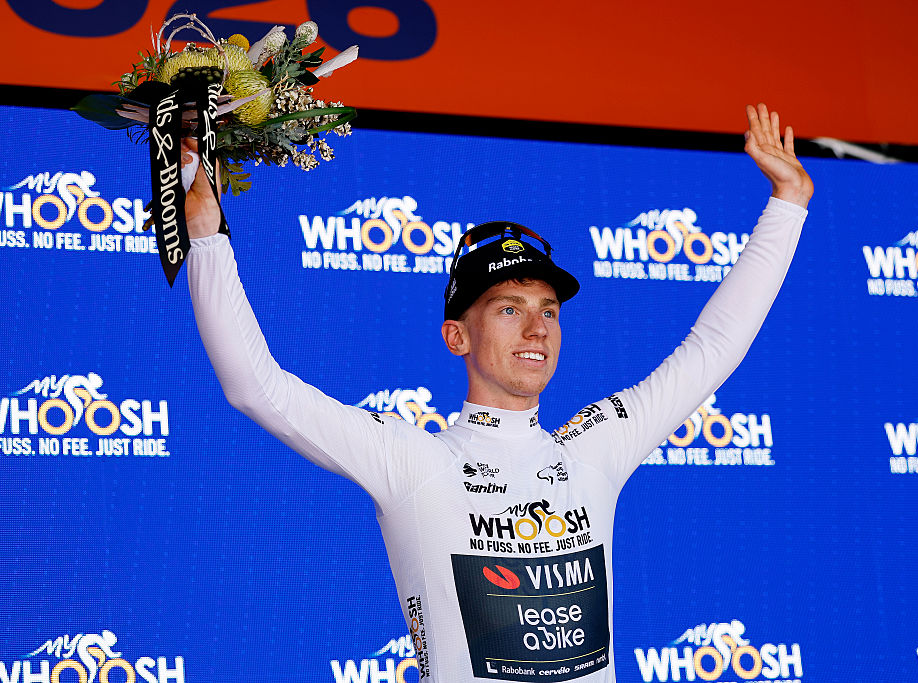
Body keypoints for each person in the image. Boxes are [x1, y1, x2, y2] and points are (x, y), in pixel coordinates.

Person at [182, 103, 813, 682]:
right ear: (456, 336)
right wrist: (207, 234)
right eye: (509, 309)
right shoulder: (413, 460)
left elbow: (712, 350)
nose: (538, 328)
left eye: (548, 310)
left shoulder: (593, 448)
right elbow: (256, 386)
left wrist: (789, 202)